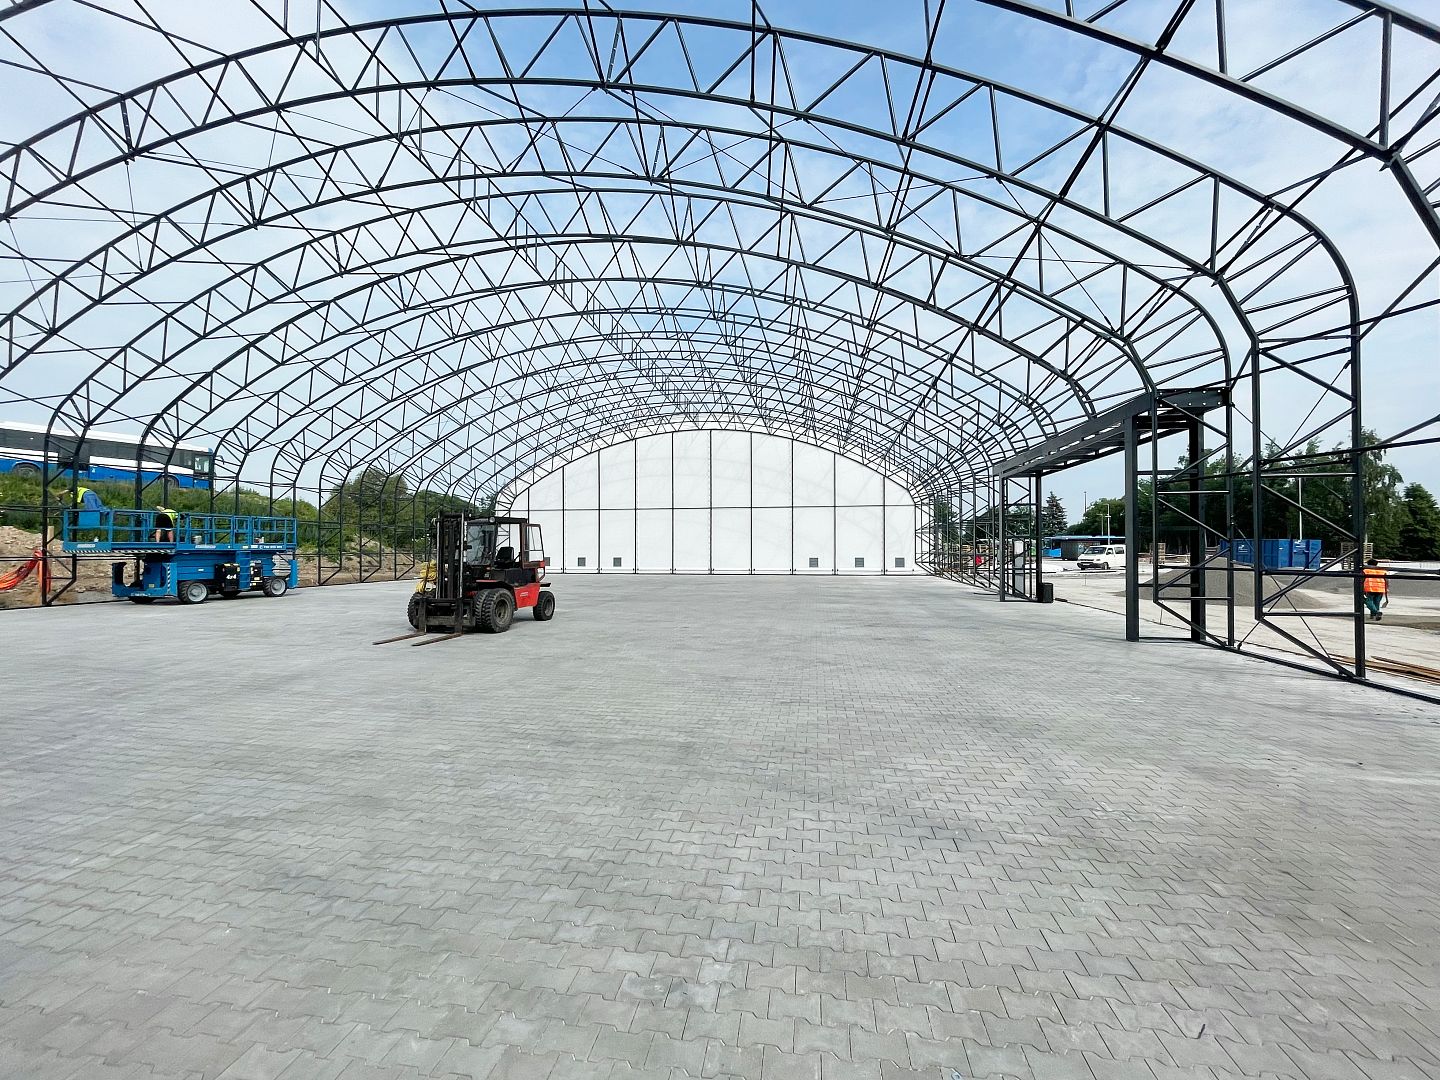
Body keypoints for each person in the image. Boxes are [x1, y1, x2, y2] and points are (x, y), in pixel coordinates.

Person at [1362, 557, 1391, 621]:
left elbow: (1362, 579)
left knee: (1369, 601)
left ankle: (1376, 612)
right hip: (1380, 588)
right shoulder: (1382, 570)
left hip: (1370, 587)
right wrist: (1387, 588)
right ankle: (1373, 615)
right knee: (1377, 602)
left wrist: (1362, 588)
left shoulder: (1365, 570)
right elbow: (1387, 580)